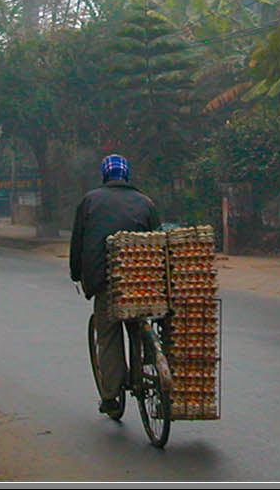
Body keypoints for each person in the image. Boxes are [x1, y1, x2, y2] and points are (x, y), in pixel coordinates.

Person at [70, 154, 161, 414]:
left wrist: (77, 274)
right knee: (138, 323)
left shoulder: (89, 201)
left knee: (108, 335)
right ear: (127, 175)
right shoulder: (146, 203)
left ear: (105, 176)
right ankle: (144, 365)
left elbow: (78, 243)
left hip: (104, 281)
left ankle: (110, 395)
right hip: (142, 281)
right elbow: (159, 239)